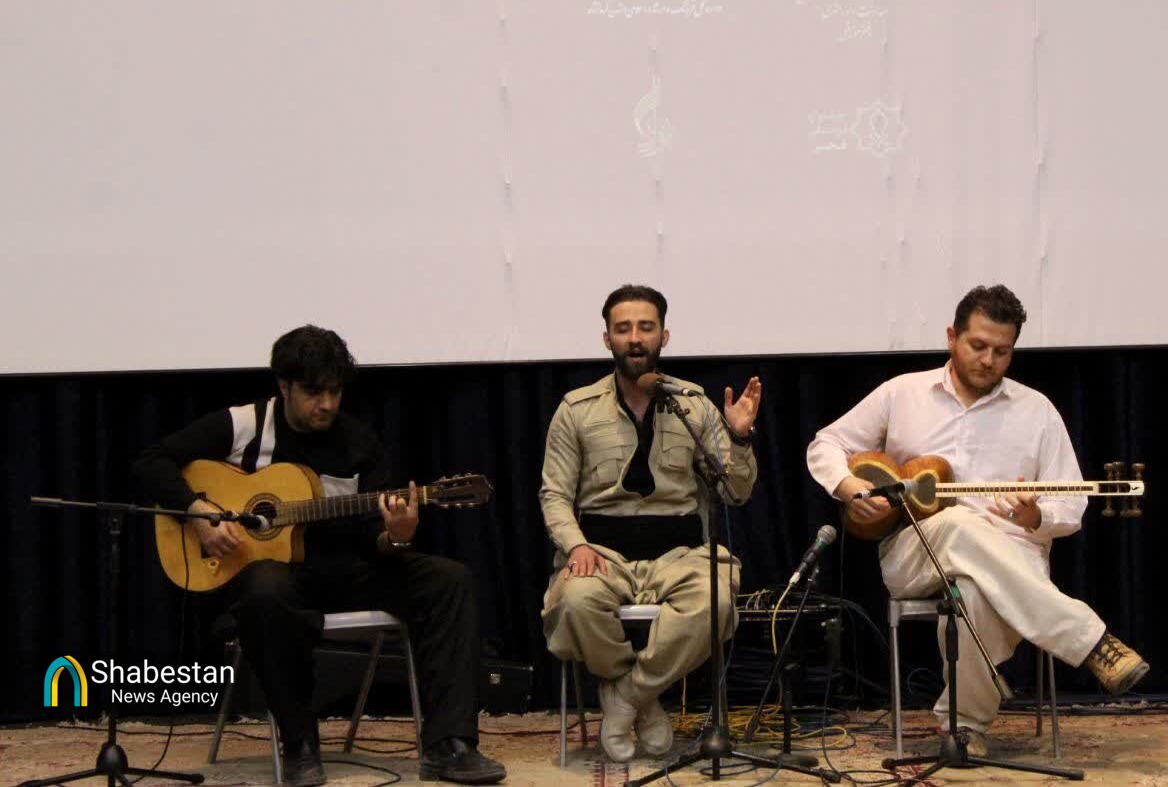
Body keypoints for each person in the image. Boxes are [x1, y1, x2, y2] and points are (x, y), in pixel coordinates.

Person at [132, 325, 505, 786]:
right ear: (284, 386)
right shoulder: (247, 425)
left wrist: (397, 536)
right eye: (313, 392)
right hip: (275, 580)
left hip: (348, 571)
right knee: (267, 590)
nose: (327, 404)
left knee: (449, 579)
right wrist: (197, 513)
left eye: (335, 391)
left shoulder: (359, 443)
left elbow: (376, 540)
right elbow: (150, 462)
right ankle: (299, 743)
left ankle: (451, 745)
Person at [806, 285, 1148, 756]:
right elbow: (825, 443)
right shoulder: (902, 393)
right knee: (961, 524)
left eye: (1002, 351)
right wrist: (849, 487)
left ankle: (963, 729)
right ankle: (1089, 641)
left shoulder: (1037, 411)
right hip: (914, 553)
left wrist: (1035, 516)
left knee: (972, 591)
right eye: (978, 346)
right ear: (952, 337)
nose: (988, 360)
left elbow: (1070, 508)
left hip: (1014, 557)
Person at [539, 285, 762, 762]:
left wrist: (740, 439)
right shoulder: (575, 409)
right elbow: (554, 494)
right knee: (575, 603)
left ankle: (626, 697)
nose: (635, 338)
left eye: (646, 327)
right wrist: (576, 546)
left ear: (664, 335)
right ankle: (647, 700)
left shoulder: (693, 405)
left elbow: (735, 493)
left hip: (680, 555)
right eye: (623, 329)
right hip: (603, 554)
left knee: (718, 600)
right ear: (607, 340)